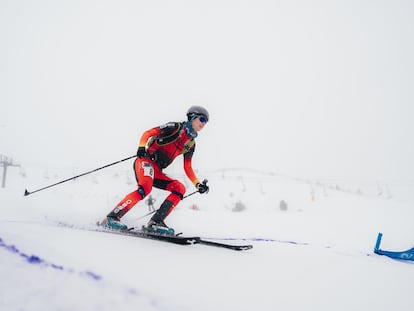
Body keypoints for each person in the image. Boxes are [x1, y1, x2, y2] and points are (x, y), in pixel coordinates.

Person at [101, 106, 210, 234]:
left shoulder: (191, 144)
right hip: (146, 161)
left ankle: (156, 223)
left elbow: (187, 166)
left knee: (179, 188)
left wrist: (197, 184)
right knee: (145, 188)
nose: (203, 123)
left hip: (157, 170)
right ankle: (112, 218)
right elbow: (148, 133)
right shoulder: (175, 127)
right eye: (202, 119)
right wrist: (142, 147)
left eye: (206, 122)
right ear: (192, 117)